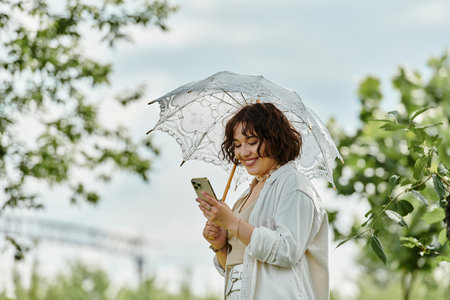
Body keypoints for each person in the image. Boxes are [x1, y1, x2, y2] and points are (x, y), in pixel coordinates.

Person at [195, 103, 329, 300]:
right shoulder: (246, 194)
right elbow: (237, 266)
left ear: (275, 139)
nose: (243, 152)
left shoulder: (294, 184)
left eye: (252, 141)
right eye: (238, 144)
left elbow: (286, 250)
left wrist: (232, 222)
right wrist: (220, 245)